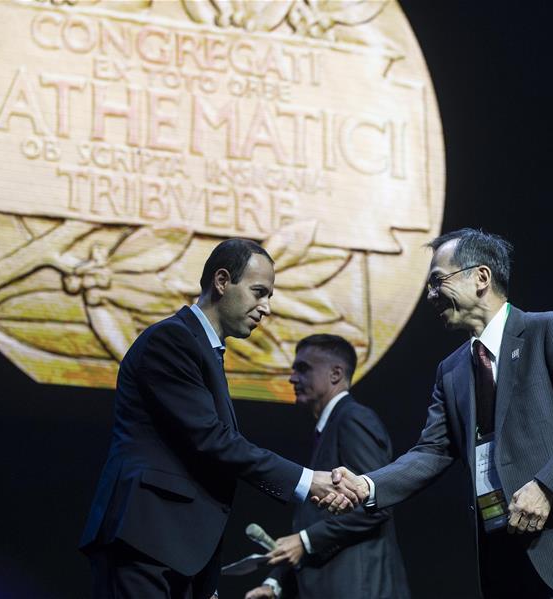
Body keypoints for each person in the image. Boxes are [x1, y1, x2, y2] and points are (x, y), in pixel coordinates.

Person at [324, 228, 553, 598]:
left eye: (437, 281)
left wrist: (546, 486)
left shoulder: (549, 330)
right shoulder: (452, 370)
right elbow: (433, 451)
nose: (429, 295)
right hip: (502, 553)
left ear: (481, 278)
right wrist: (368, 485)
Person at [79, 238, 358, 599]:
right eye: (259, 292)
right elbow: (211, 440)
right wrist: (307, 482)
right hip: (146, 541)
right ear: (222, 281)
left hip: (175, 550)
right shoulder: (172, 340)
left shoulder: (203, 349)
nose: (266, 308)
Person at [245, 335, 410, 599]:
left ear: (336, 374)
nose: (292, 378)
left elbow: (377, 504)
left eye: (303, 368)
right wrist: (274, 584)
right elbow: (317, 522)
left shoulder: (353, 419)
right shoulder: (330, 427)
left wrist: (305, 541)